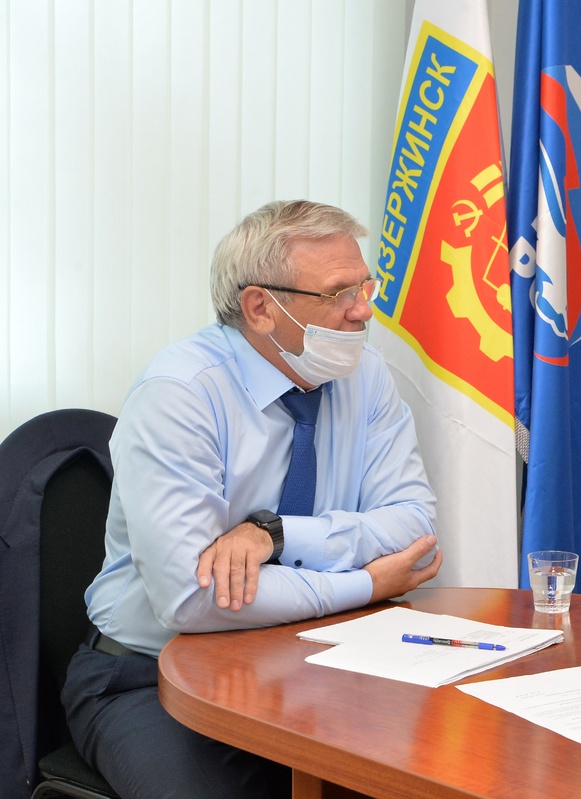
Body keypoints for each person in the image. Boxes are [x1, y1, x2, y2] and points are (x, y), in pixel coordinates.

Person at [61, 200, 443, 798]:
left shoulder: (366, 375)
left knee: (421, 772)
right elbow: (195, 597)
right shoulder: (179, 395)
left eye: (366, 285)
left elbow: (414, 527)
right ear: (261, 307)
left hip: (314, 661)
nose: (363, 311)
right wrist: (369, 584)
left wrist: (278, 534)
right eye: (338, 293)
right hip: (148, 678)